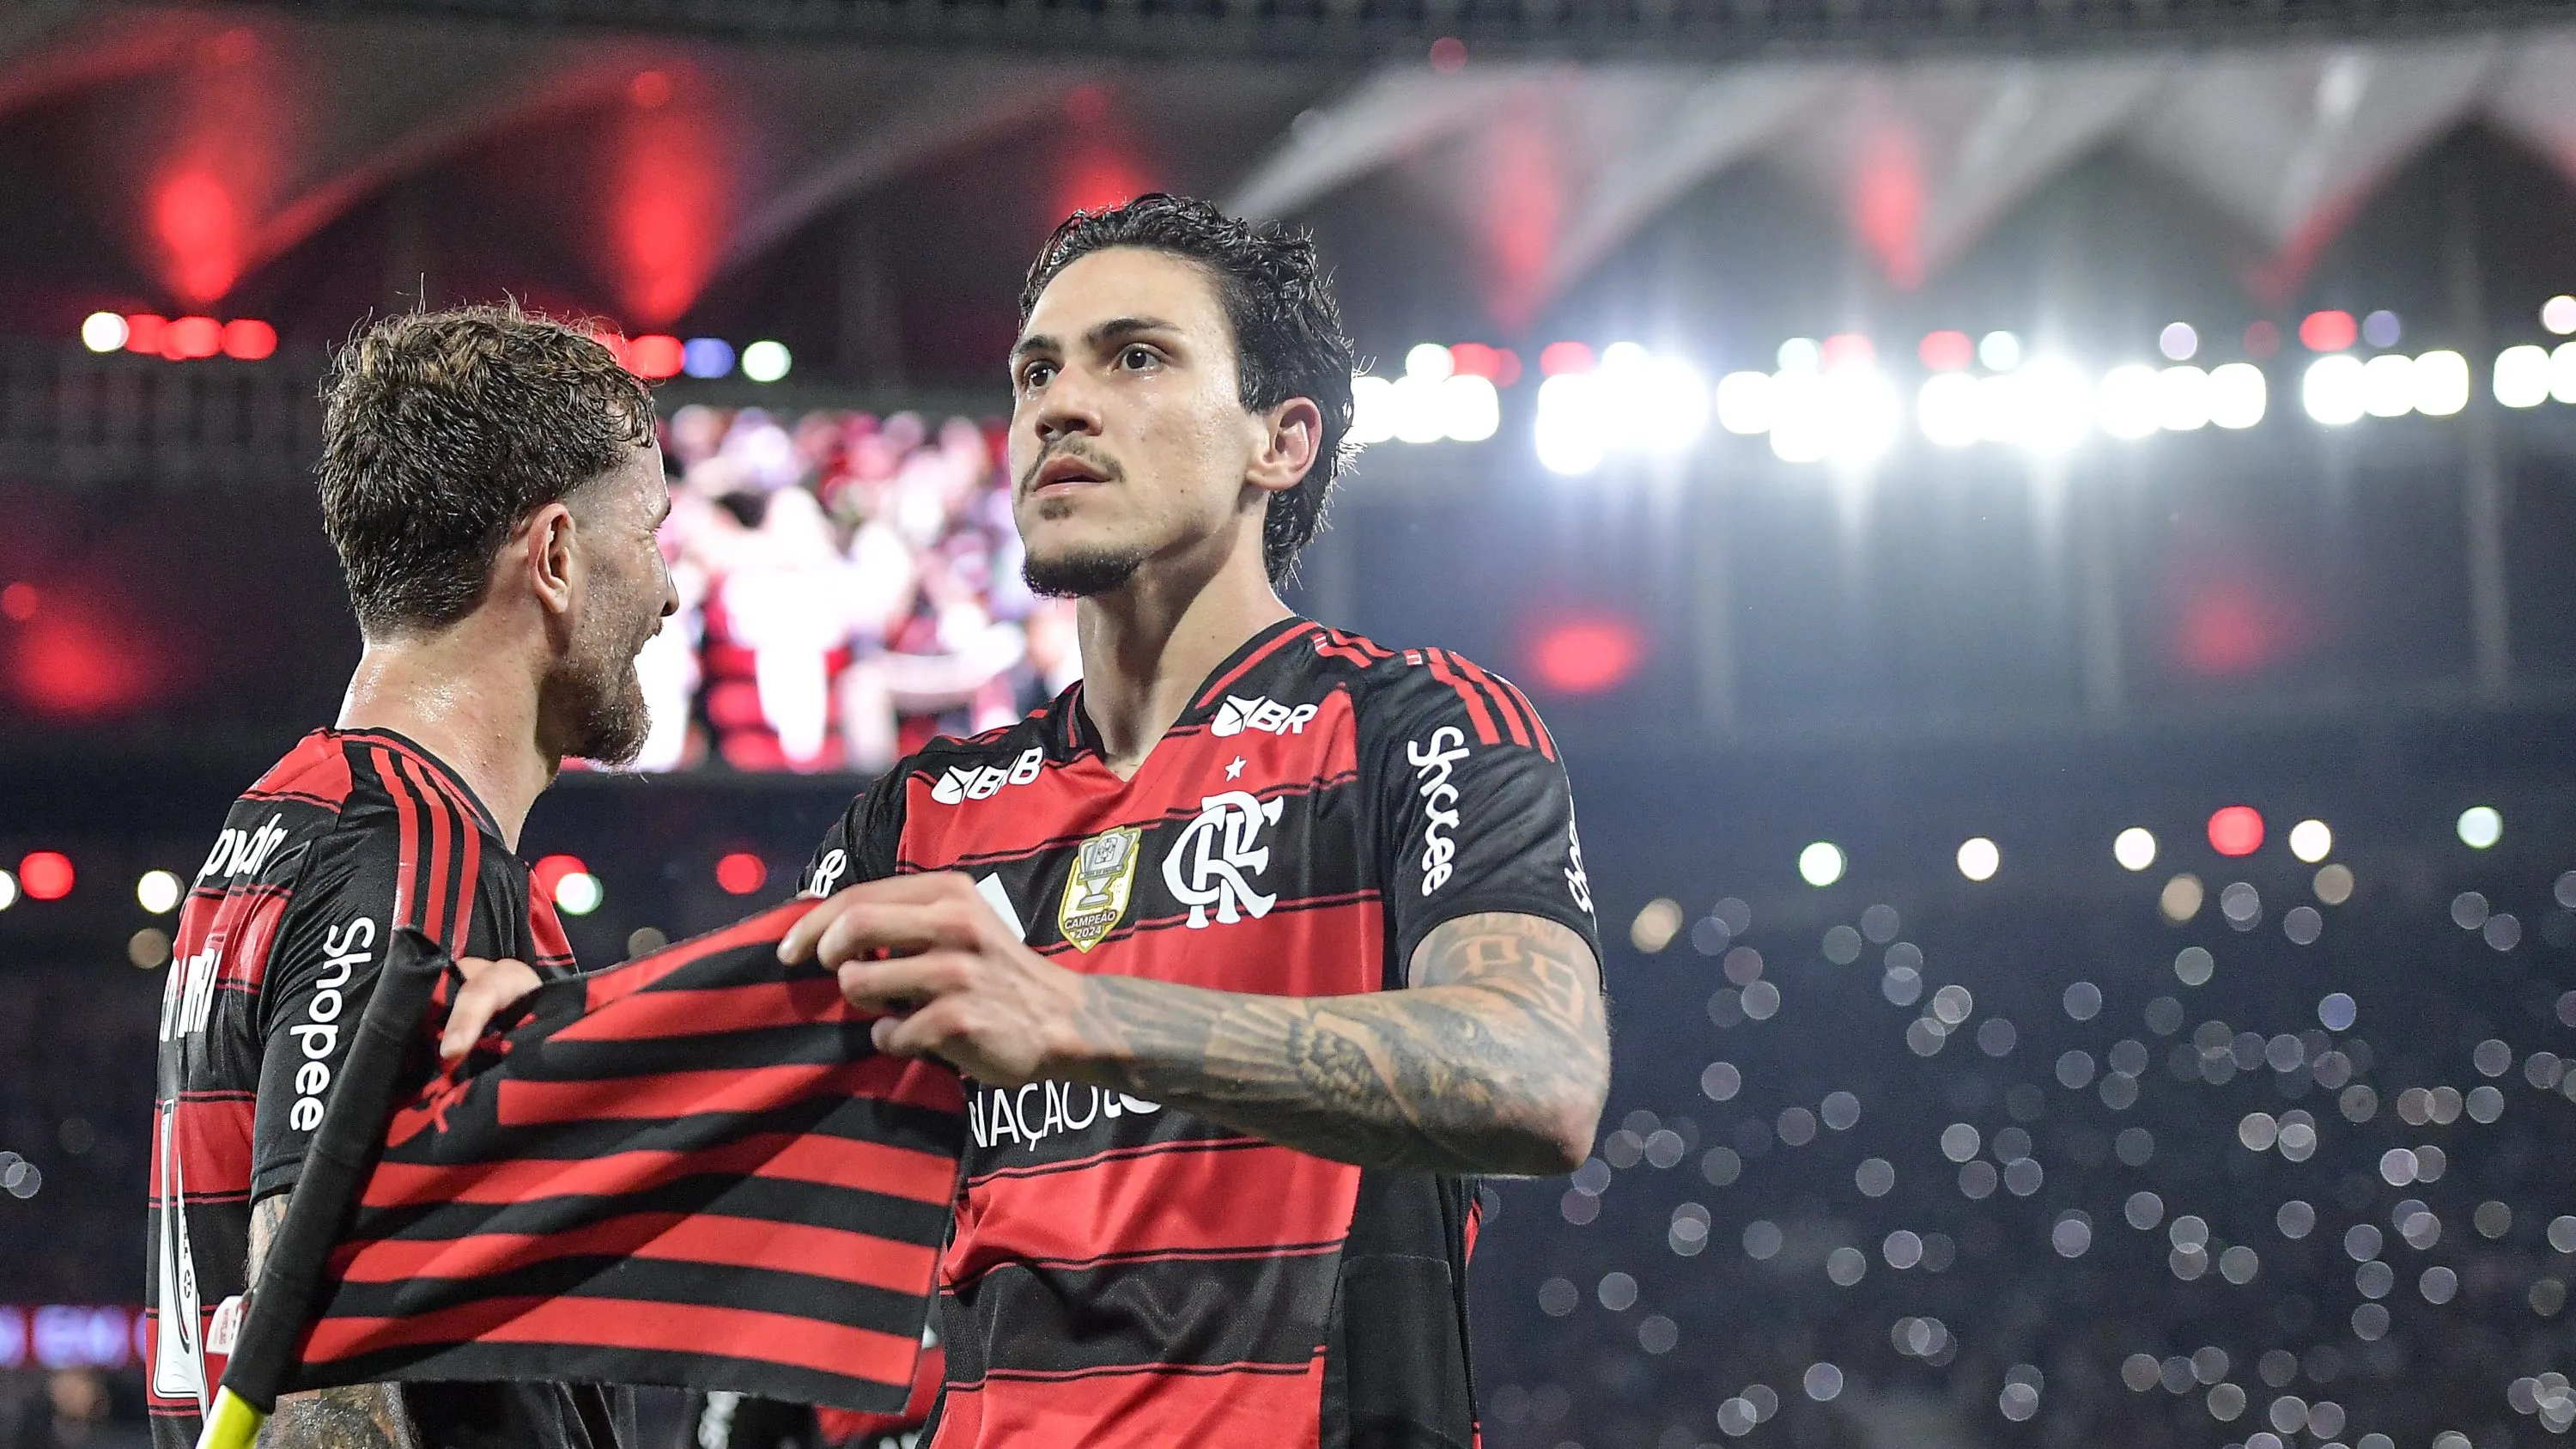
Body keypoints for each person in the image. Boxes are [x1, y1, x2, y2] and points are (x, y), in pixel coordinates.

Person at [781, 194, 1613, 1447]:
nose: (1060, 405)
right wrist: (538, 1028)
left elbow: (1537, 1074)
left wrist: (1078, 1018)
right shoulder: (914, 815)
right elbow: (751, 1135)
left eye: (1135, 357)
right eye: (1036, 372)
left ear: (1279, 441)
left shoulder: (1414, 727)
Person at [144, 305, 677, 1449]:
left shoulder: (291, 817)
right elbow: (317, 1391)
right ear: (556, 557)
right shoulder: (415, 855)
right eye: (652, 533)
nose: (669, 594)